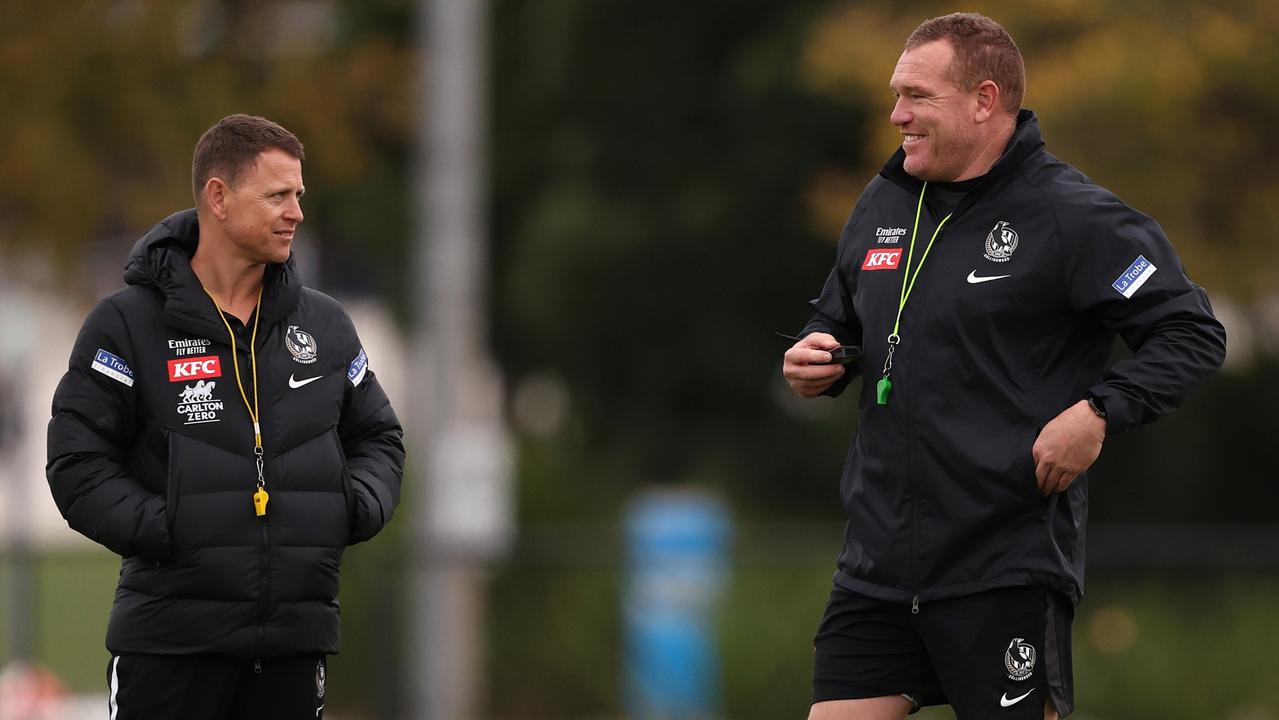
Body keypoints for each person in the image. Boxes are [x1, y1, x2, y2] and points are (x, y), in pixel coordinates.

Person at [782, 13, 1225, 720]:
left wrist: (1098, 412)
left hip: (1001, 566)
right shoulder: (885, 200)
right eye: (896, 94)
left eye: (917, 97)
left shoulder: (1074, 217)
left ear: (984, 100)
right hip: (877, 566)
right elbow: (840, 320)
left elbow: (1190, 333)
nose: (896, 115)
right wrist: (817, 355)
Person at [46, 114, 405, 719]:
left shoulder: (325, 326)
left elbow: (379, 437)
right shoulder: (127, 325)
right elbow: (76, 463)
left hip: (295, 645)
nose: (295, 212)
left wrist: (347, 507)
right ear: (218, 197)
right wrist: (171, 526)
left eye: (298, 195)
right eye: (277, 195)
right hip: (169, 647)